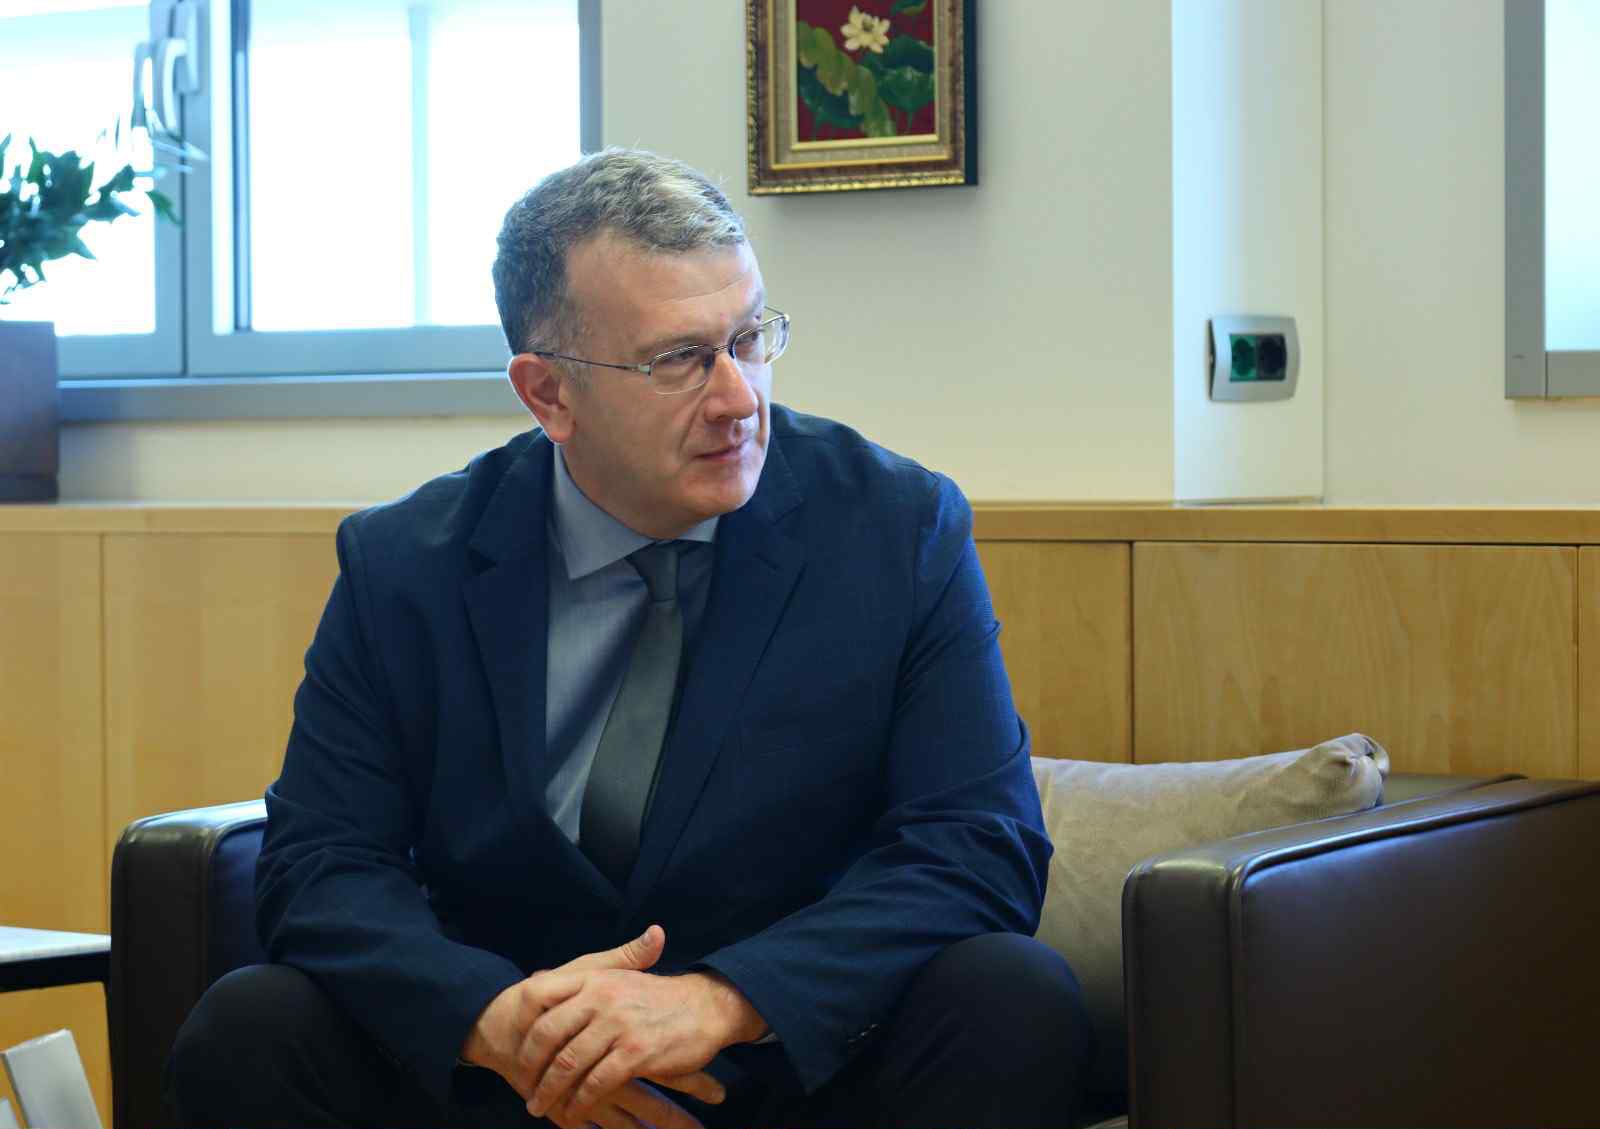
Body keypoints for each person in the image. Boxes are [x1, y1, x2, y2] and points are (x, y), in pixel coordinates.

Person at [165, 148, 1092, 1129]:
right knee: (251, 1027)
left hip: (775, 1065)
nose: (738, 398)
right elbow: (319, 860)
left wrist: (721, 1001)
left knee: (1012, 998)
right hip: (508, 1073)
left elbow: (976, 843)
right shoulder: (406, 564)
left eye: (750, 337)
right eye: (679, 359)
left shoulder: (893, 528)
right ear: (547, 394)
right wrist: (495, 1020)